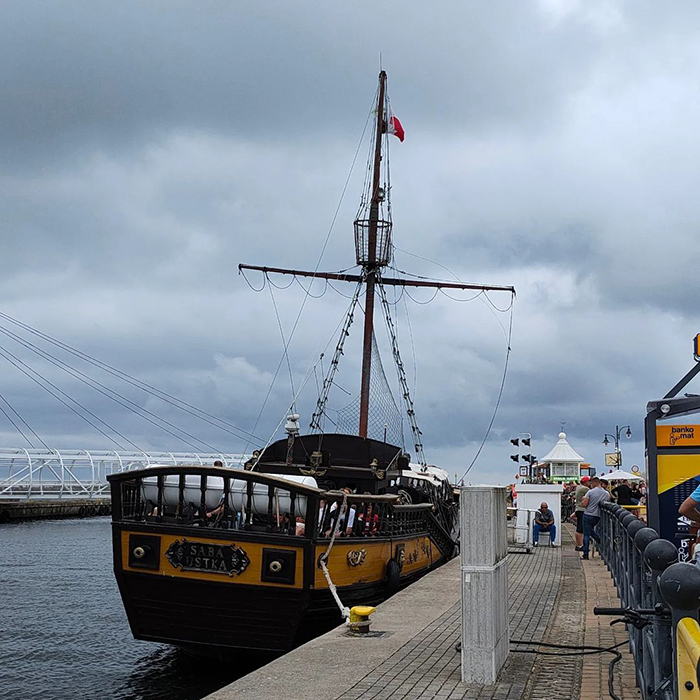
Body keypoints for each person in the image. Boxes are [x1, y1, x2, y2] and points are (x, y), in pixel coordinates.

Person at [581, 477, 610, 560]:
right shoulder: (606, 493)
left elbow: (584, 504)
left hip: (588, 514)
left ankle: (586, 553)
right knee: (590, 530)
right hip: (597, 515)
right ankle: (599, 540)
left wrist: (583, 500)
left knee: (586, 534)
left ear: (593, 483)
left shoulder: (590, 492)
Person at [573, 476, 590, 551]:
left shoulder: (578, 487)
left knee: (579, 528)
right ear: (586, 482)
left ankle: (579, 544)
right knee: (580, 529)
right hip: (582, 509)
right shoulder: (585, 489)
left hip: (578, 509)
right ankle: (580, 545)